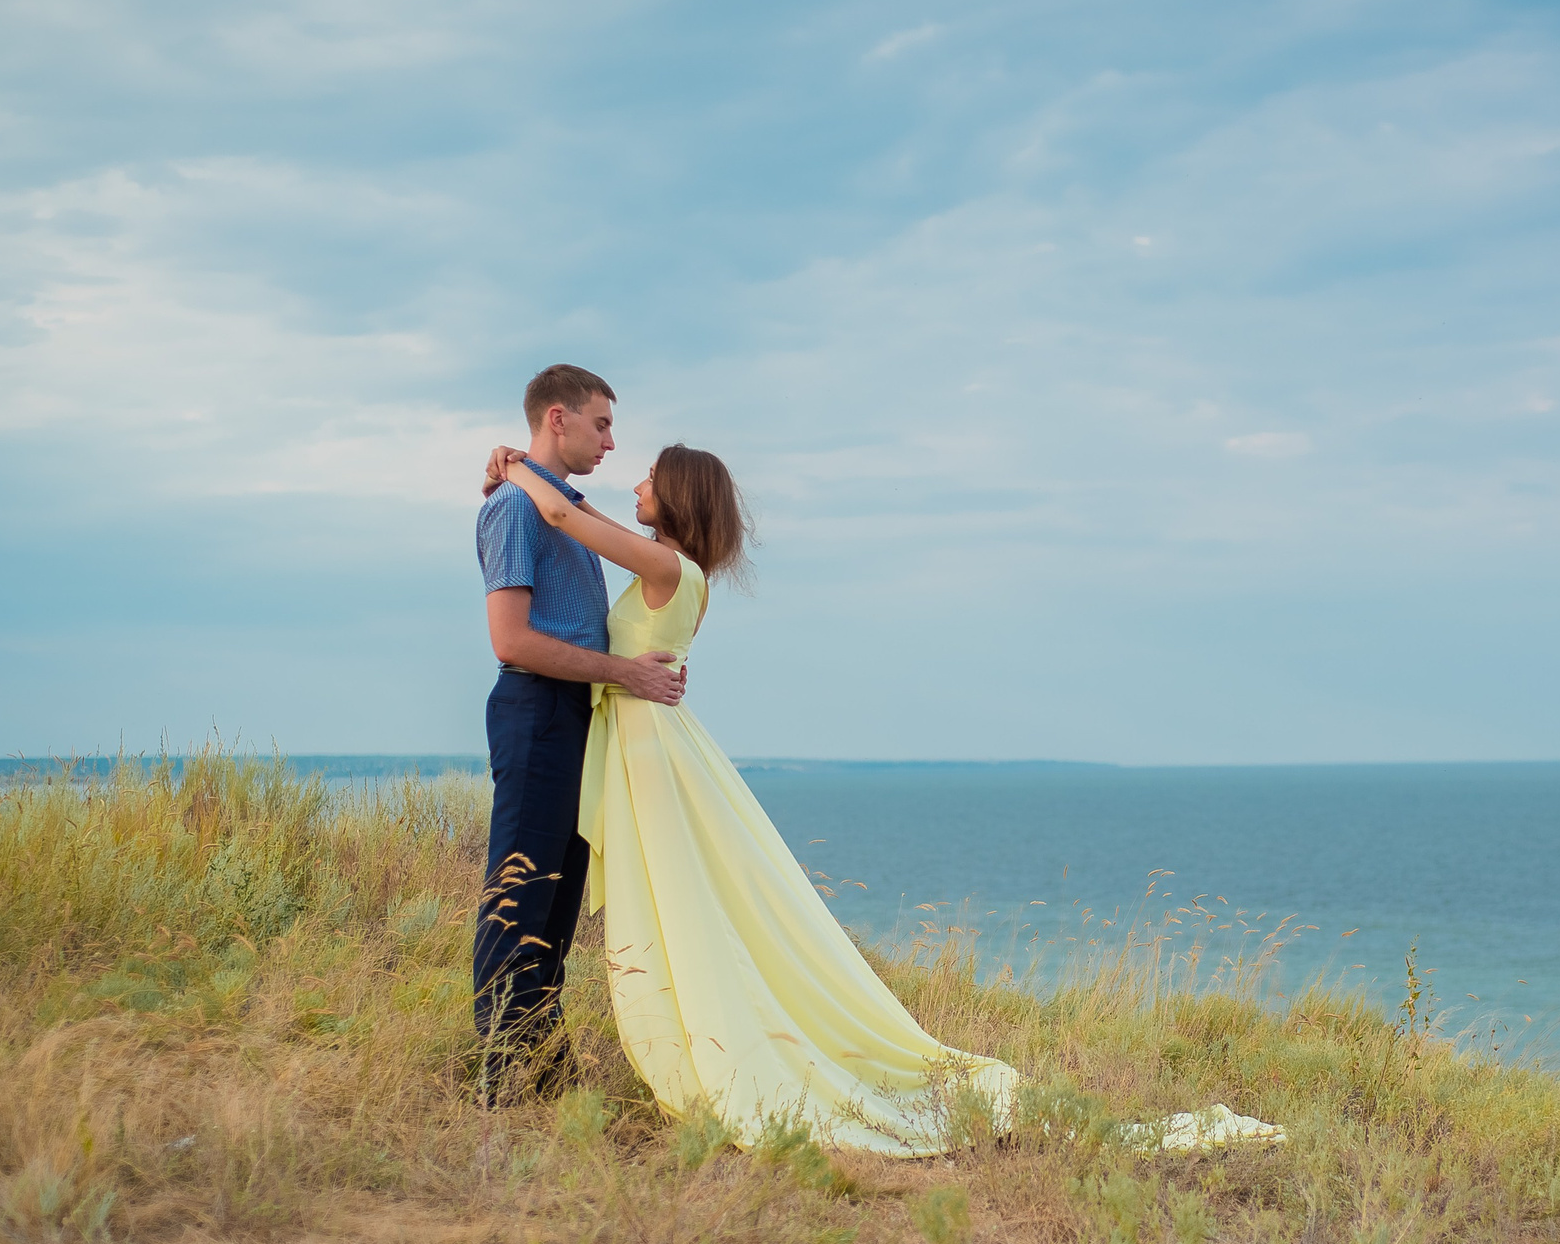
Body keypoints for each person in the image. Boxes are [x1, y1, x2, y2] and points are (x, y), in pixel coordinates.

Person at [477, 434, 1283, 1156]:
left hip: (650, 745)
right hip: (644, 739)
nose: (636, 478)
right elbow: (567, 512)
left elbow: (559, 516)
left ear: (679, 495)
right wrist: (527, 470)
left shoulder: (665, 566)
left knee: (686, 904)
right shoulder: (675, 567)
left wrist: (514, 465)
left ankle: (708, 1046)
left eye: (650, 474)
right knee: (689, 902)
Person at [473, 364, 684, 1103]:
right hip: (536, 709)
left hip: (575, 716)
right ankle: (501, 1083)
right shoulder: (516, 510)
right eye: (601, 423)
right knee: (519, 892)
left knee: (556, 906)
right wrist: (621, 670)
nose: (611, 439)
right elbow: (512, 641)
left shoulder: (560, 502)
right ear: (557, 418)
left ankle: (546, 1072)